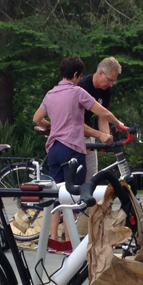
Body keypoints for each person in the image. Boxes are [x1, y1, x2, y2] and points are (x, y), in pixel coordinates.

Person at [34, 56, 118, 250]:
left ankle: (53, 240)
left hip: (54, 148)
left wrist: (51, 128)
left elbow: (37, 118)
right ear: (75, 74)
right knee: (74, 196)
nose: (80, 79)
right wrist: (118, 125)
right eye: (79, 76)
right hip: (73, 146)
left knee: (57, 194)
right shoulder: (78, 91)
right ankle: (71, 242)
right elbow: (99, 114)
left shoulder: (51, 93)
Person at [78, 57, 125, 176]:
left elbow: (103, 116)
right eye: (110, 80)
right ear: (100, 73)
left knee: (92, 175)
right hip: (74, 133)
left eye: (113, 82)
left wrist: (108, 139)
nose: (111, 85)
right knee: (76, 177)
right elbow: (75, 121)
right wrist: (115, 124)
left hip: (88, 133)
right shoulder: (82, 86)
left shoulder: (106, 90)